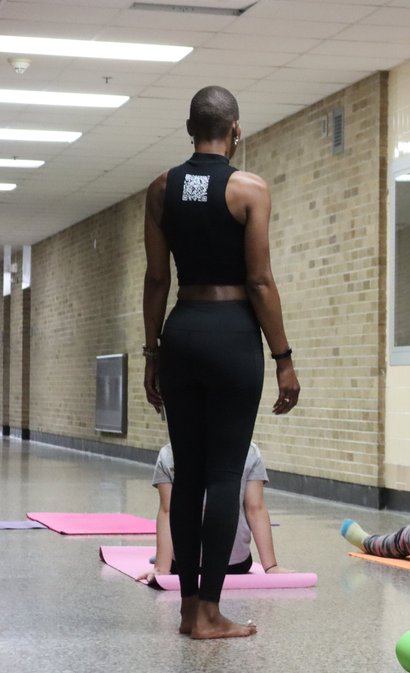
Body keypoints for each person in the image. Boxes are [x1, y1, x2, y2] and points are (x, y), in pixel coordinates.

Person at [142, 85, 300, 639]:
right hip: (233, 336)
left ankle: (190, 610)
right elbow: (259, 280)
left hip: (181, 332)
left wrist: (151, 352)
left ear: (190, 130)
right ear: (236, 129)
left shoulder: (160, 189)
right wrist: (283, 357)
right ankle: (210, 611)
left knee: (187, 477)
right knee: (225, 474)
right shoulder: (248, 189)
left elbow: (157, 278)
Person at [137, 442, 291, 585]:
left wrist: (162, 568)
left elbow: (168, 511)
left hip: (186, 567)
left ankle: (161, 558)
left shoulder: (169, 453)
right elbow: (255, 509)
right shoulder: (249, 450)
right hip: (234, 565)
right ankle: (161, 559)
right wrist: (271, 566)